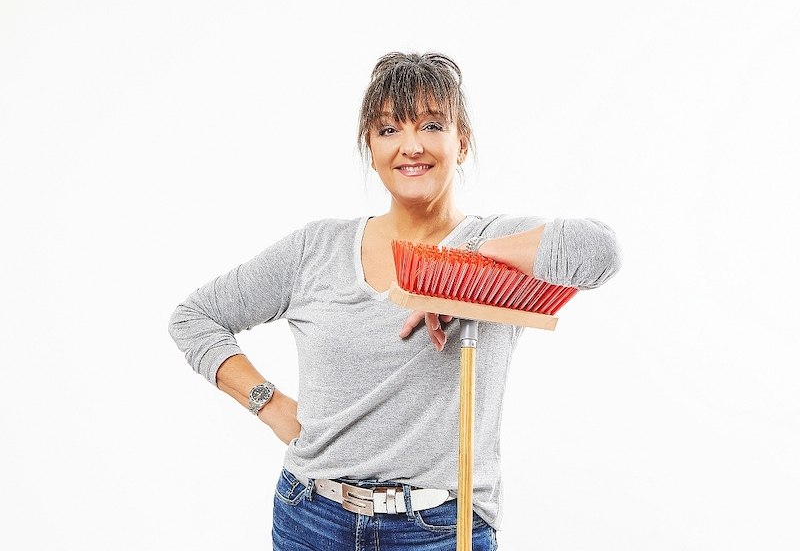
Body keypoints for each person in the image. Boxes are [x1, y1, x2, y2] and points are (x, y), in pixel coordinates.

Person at [168, 51, 622, 550]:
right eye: (388, 130)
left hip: (439, 529)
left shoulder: (501, 241)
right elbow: (195, 318)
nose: (411, 146)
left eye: (431, 124)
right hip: (310, 518)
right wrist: (269, 404)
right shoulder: (315, 249)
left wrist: (461, 267)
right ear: (370, 146)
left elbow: (600, 251)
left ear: (461, 142)